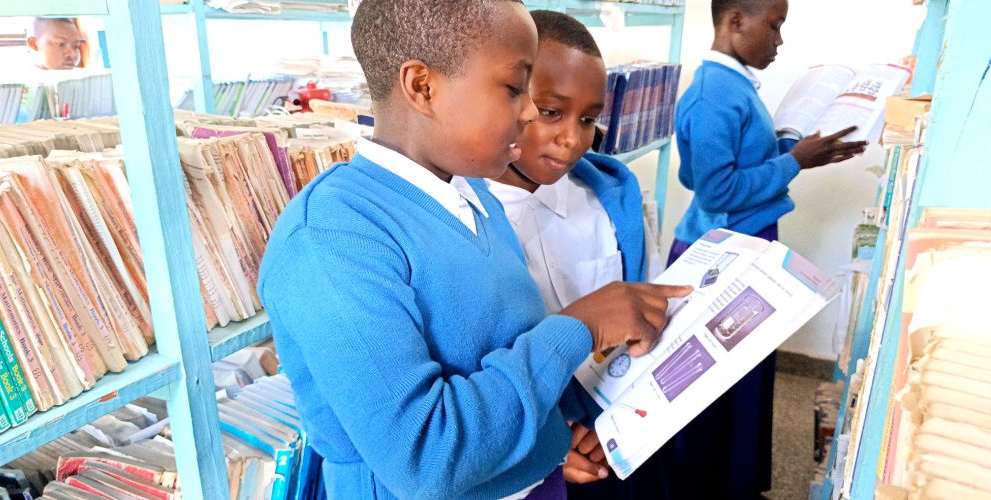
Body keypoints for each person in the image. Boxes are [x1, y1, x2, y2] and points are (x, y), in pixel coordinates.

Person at [257, 1, 690, 499]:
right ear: (423, 87)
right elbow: (423, 456)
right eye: (513, 88)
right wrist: (581, 326)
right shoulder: (333, 238)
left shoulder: (472, 193)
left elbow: (502, 353)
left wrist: (545, 441)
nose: (529, 112)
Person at [662, 0, 867, 498]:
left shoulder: (730, 87)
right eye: (773, 26)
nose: (779, 41)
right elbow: (715, 190)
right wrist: (793, 161)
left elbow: (703, 171)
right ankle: (709, 486)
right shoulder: (715, 94)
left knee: (741, 379)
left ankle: (731, 483)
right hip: (724, 253)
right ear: (734, 22)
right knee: (718, 387)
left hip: (744, 243)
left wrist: (797, 156)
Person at [485, 10, 668, 499]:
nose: (572, 138)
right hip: (531, 454)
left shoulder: (610, 203)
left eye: (588, 119)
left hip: (622, 433)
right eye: (551, 112)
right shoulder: (467, 224)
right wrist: (551, 444)